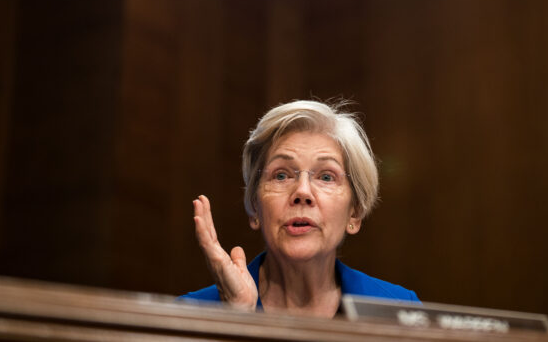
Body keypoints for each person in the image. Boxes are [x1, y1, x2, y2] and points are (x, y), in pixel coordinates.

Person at [179, 100, 419, 317]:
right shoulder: (188, 315)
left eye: (326, 177)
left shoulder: (399, 311)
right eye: (281, 175)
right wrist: (238, 319)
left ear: (354, 213)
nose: (302, 192)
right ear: (254, 206)